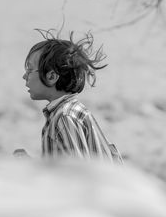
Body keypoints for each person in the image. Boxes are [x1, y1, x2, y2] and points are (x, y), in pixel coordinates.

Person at [22, 29, 122, 162]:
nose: (24, 76)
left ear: (51, 76)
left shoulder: (64, 117)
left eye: (29, 70)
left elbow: (75, 174)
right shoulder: (73, 110)